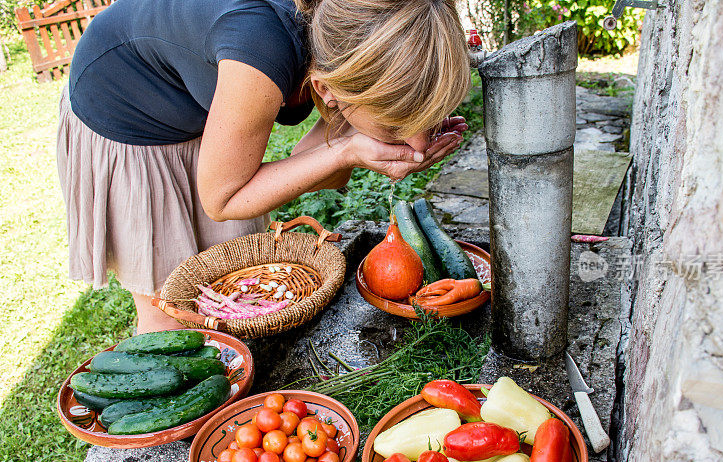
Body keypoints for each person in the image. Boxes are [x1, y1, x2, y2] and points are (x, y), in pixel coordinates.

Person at [57, 0, 471, 333]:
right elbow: (223, 198)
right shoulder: (261, 45)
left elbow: (309, 167)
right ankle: (171, 436)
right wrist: (346, 151)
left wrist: (350, 150)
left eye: (429, 122)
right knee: (170, 302)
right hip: (125, 110)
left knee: (234, 287)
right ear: (327, 89)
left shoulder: (349, 30)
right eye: (399, 125)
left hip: (196, 97)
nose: (418, 145)